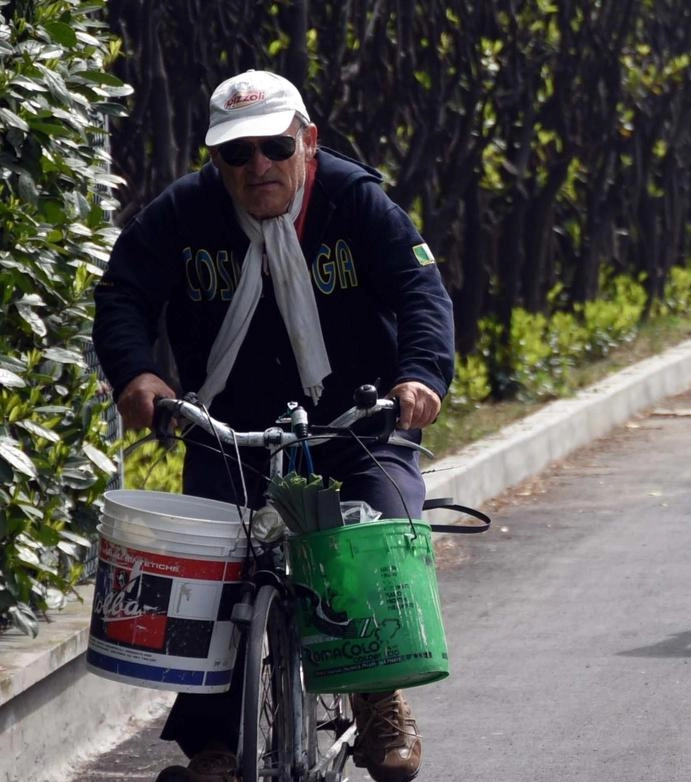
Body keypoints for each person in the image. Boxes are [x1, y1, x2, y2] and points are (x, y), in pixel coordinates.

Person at [94, 69, 455, 782]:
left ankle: (378, 698)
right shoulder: (184, 213)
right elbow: (123, 292)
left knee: (371, 539)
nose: (258, 166)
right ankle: (213, 745)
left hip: (356, 424)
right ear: (217, 161)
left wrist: (418, 378)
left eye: (273, 148)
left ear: (307, 142)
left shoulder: (357, 203)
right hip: (228, 430)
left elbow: (421, 290)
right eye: (236, 155)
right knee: (210, 583)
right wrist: (136, 372)